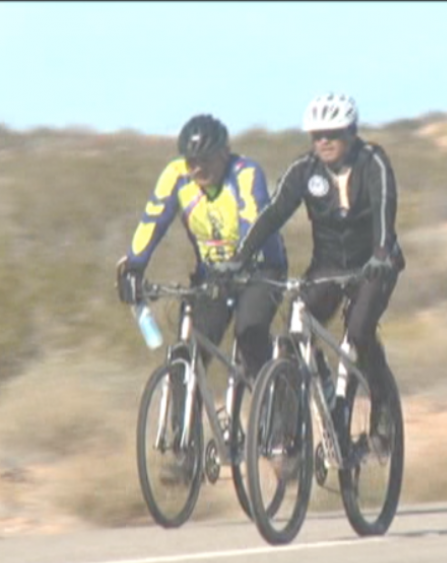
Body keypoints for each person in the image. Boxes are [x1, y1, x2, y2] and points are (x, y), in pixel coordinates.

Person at [225, 93, 405, 445]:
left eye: (332, 134)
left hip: (374, 264)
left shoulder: (373, 163)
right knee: (295, 330)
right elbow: (273, 213)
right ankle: (291, 432)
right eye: (316, 135)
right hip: (328, 265)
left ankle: (382, 408)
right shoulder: (304, 170)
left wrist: (382, 254)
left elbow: (386, 208)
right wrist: (240, 258)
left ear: (351, 133)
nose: (323, 141)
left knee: (359, 331)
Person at [116, 113, 288, 381]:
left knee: (249, 334)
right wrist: (133, 266)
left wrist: (240, 260)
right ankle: (182, 422)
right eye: (191, 161)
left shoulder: (245, 172)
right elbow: (153, 218)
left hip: (261, 270)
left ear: (225, 153)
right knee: (188, 354)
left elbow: (253, 223)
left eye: (205, 160)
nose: (197, 168)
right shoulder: (177, 175)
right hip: (213, 275)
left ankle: (278, 407)